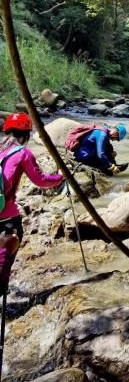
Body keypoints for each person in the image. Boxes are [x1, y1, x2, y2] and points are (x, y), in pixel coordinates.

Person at [0, 112, 63, 292]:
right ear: (26, 135)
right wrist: (58, 178)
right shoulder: (22, 152)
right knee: (12, 237)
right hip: (5, 213)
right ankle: (1, 279)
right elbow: (40, 180)